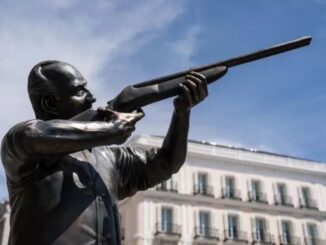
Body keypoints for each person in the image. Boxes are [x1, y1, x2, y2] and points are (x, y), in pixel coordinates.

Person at [1, 60, 227, 245]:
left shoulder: (110, 157)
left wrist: (182, 113)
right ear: (50, 103)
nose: (91, 98)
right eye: (80, 92)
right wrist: (111, 129)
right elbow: (33, 134)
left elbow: (165, 164)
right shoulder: (23, 145)